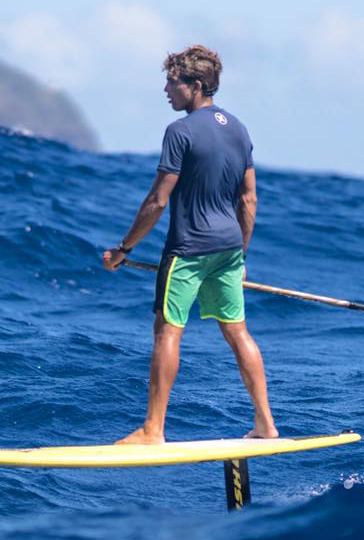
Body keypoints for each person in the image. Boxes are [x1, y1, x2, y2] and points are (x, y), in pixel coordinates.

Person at [102, 45, 278, 444]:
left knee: (167, 331)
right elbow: (248, 199)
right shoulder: (238, 128)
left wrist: (123, 250)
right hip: (230, 250)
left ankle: (153, 429)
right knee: (237, 332)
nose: (166, 89)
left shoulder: (179, 132)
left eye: (172, 82)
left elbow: (157, 200)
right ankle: (266, 425)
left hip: (188, 251)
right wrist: (241, 255)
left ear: (195, 86)